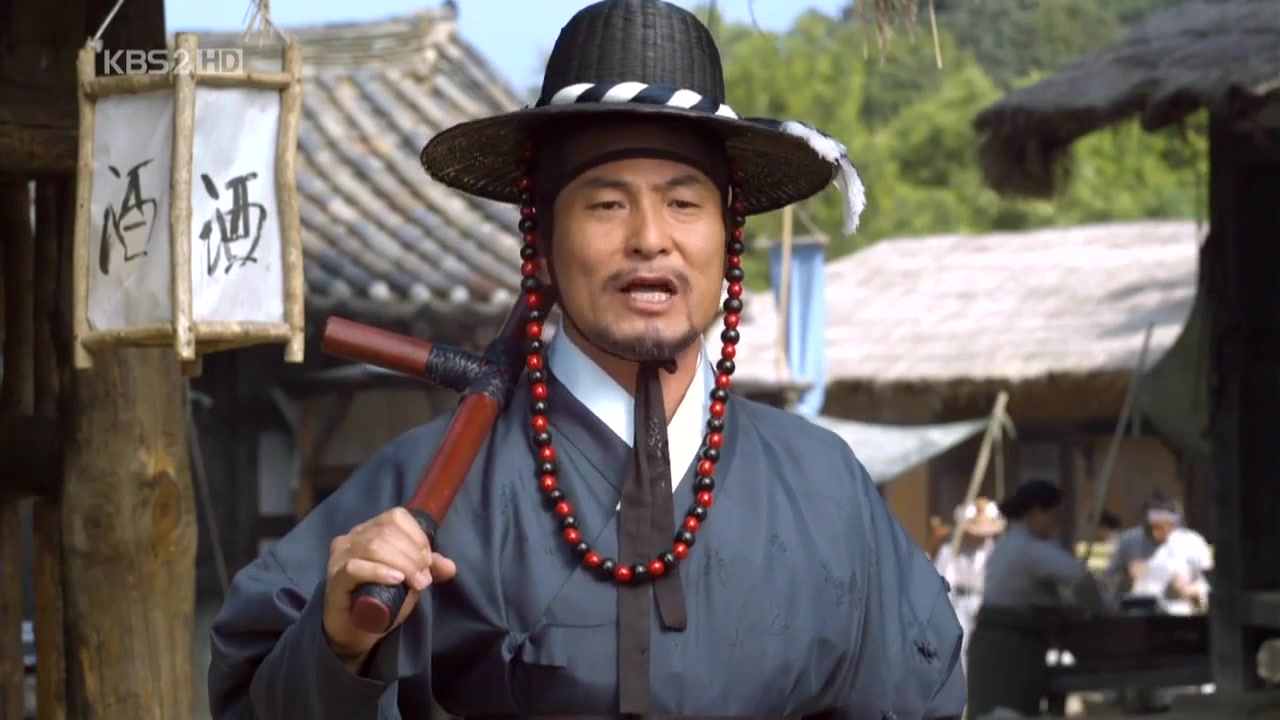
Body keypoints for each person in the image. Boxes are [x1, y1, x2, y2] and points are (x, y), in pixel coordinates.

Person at [205, 2, 964, 719]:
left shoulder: (823, 486)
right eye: (606, 203)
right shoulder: (428, 486)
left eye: (684, 202)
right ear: (540, 246)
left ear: (729, 241)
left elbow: (918, 690)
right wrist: (339, 644)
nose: (650, 238)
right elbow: (253, 688)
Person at [966, 481, 1110, 718]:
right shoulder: (1026, 548)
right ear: (1035, 512)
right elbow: (1080, 578)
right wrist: (1101, 610)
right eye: (1054, 514)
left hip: (1004, 642)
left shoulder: (1009, 544)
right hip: (1009, 647)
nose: (1057, 522)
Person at [1106, 492, 1212, 615]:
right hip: (1138, 613)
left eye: (1162, 527)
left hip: (1178, 613)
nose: (1155, 533)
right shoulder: (1129, 540)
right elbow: (1108, 583)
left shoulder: (1192, 542)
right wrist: (1127, 579)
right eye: (1151, 527)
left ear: (1174, 523)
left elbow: (1210, 587)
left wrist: (1190, 590)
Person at [934, 497, 1005, 666]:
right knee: (960, 647)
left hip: (986, 604)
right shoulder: (951, 549)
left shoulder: (997, 552)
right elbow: (942, 580)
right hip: (960, 602)